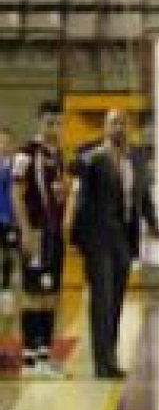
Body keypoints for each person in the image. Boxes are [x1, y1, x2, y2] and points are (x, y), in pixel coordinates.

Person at [72, 109, 159, 379]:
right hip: (99, 238)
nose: (118, 128)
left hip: (124, 237)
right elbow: (82, 202)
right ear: (104, 127)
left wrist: (154, 223)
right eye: (113, 123)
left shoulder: (135, 159)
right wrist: (80, 238)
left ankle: (110, 357)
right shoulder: (93, 158)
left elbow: (143, 195)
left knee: (117, 299)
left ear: (128, 128)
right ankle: (101, 363)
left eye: (122, 123)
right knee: (102, 299)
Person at [9, 101, 72, 378]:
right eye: (49, 123)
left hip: (53, 234)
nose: (54, 128)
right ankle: (29, 359)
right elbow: (15, 192)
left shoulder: (57, 155)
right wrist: (25, 230)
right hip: (35, 231)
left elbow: (58, 192)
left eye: (58, 123)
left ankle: (45, 356)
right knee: (34, 294)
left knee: (50, 294)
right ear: (39, 122)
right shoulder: (26, 153)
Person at [0, 125, 18, 310]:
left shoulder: (15, 166)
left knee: (8, 253)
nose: (3, 145)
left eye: (6, 142)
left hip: (9, 218)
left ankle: (6, 287)